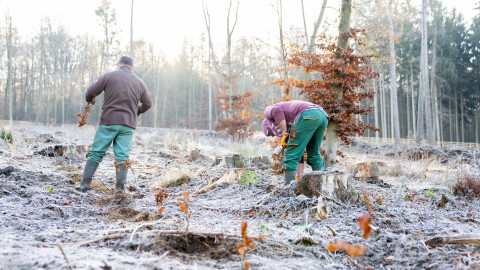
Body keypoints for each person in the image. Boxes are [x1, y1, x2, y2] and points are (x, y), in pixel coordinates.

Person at [76, 56, 152, 192]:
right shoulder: (140, 82)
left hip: (109, 122)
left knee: (96, 153)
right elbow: (148, 103)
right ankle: (120, 190)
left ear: (119, 65)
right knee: (123, 157)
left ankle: (83, 186)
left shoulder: (109, 76)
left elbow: (89, 92)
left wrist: (90, 99)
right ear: (132, 68)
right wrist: (136, 112)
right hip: (128, 125)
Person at [262, 100, 328, 185]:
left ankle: (287, 190)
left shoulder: (268, 112)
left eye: (270, 133)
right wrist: (299, 177)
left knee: (290, 156)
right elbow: (298, 152)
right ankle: (322, 187)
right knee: (314, 154)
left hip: (308, 114)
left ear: (269, 126)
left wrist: (284, 133)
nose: (273, 135)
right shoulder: (290, 122)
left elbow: (276, 111)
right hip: (322, 114)